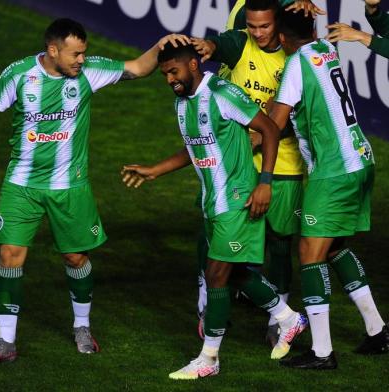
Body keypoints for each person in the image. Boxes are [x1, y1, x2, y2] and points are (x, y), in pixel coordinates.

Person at [0, 17, 189, 363]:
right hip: (21, 184)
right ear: (53, 50)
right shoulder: (18, 75)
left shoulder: (88, 73)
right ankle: (5, 339)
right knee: (10, 255)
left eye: (84, 53)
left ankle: (81, 325)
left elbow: (136, 69)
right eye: (75, 54)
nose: (81, 59)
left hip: (71, 187)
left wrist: (160, 45)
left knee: (76, 257)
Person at [121, 42, 308, 380]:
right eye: (164, 75)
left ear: (193, 65)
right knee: (233, 273)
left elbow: (268, 129)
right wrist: (155, 169)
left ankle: (209, 358)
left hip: (238, 200)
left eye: (174, 72)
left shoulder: (222, 92)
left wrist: (265, 182)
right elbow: (196, 146)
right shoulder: (182, 102)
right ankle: (287, 317)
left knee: (217, 275)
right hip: (213, 203)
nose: (169, 80)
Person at [192, 0, 324, 346]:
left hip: (285, 165)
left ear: (278, 26)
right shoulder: (240, 42)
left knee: (280, 242)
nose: (258, 33)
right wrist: (209, 46)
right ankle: (207, 301)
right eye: (252, 26)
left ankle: (277, 313)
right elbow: (222, 44)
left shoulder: (297, 56)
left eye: (264, 27)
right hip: (236, 166)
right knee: (216, 233)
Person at [269, 7, 389, 369]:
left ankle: (322, 352)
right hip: (360, 157)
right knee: (334, 246)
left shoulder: (295, 64)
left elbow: (274, 125)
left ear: (281, 39)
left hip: (334, 170)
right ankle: (377, 329)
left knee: (309, 251)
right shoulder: (325, 48)